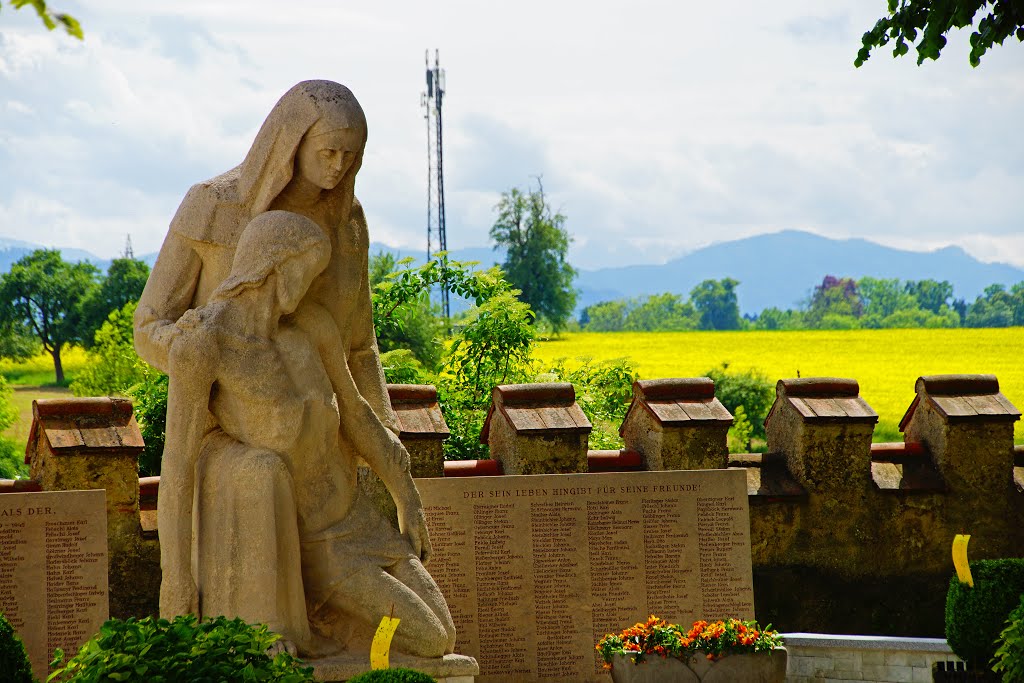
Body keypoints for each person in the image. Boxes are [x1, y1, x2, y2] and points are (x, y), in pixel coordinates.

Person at [135, 81, 453, 658]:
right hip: (236, 439)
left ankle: (366, 649)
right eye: (327, 151)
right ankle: (293, 634)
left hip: (326, 455)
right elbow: (148, 324)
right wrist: (188, 352)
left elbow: (361, 350)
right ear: (290, 140)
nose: (339, 167)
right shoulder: (214, 205)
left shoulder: (345, 226)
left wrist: (387, 466)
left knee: (433, 629)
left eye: (352, 156)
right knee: (261, 474)